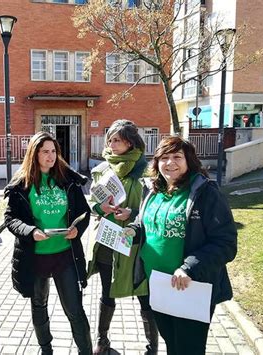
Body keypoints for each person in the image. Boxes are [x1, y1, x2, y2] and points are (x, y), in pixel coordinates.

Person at [128, 136, 237, 355]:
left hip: (191, 287)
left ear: (189, 160)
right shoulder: (153, 190)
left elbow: (225, 243)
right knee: (172, 344)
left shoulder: (205, 193)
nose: (170, 163)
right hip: (158, 285)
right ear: (156, 162)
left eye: (177, 157)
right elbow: (145, 220)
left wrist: (189, 268)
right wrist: (133, 229)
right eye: (164, 158)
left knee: (188, 349)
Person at [4, 131, 92, 355]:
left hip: (65, 255)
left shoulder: (67, 180)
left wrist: (77, 229)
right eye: (45, 151)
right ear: (34, 154)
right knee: (39, 305)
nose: (50, 156)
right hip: (35, 257)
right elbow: (11, 219)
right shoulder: (21, 185)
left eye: (53, 151)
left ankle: (85, 351)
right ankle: (46, 349)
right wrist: (31, 231)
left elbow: (84, 212)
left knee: (74, 309)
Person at [88, 119, 158, 355]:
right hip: (109, 239)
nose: (111, 143)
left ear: (130, 142)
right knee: (107, 292)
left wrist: (134, 213)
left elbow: (156, 209)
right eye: (110, 139)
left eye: (117, 139)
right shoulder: (102, 170)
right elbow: (92, 203)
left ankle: (152, 346)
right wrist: (101, 209)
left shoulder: (146, 173)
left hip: (138, 244)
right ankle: (102, 340)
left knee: (143, 294)